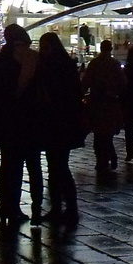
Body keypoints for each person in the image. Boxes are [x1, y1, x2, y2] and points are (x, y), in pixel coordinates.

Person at [0, 24, 41, 225]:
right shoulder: (32, 59)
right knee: (33, 166)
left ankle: (7, 206)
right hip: (29, 119)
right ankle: (35, 207)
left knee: (9, 165)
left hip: (6, 120)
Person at [36, 32, 83, 225]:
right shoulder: (67, 65)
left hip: (56, 121)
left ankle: (64, 207)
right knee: (58, 165)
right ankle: (65, 207)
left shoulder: (52, 67)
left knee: (58, 166)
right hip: (64, 121)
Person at [80, 39, 124, 175]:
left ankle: (102, 160)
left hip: (97, 102)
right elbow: (122, 83)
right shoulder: (115, 64)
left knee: (98, 135)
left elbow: (85, 82)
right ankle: (109, 155)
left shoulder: (94, 64)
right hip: (110, 103)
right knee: (108, 134)